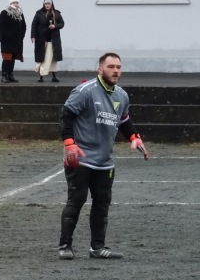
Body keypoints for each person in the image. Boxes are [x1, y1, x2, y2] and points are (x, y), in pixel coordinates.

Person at [58, 52, 149, 260]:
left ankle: (97, 248)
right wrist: (69, 143)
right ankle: (65, 246)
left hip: (105, 162)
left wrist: (134, 137)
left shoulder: (122, 95)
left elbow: (123, 120)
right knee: (76, 201)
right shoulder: (85, 91)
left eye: (118, 67)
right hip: (80, 159)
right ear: (100, 69)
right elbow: (66, 115)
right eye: (111, 67)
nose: (115, 70)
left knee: (102, 204)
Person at [31, 0, 64, 83]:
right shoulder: (39, 14)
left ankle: (54, 76)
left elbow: (62, 23)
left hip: (53, 40)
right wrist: (33, 36)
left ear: (51, 4)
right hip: (42, 40)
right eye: (46, 4)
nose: (47, 5)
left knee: (53, 59)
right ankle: (41, 77)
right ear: (44, 4)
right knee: (43, 58)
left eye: (49, 4)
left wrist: (55, 26)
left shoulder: (56, 13)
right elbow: (34, 25)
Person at [0, 0, 26, 83]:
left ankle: (10, 75)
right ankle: (4, 76)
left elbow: (24, 26)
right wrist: (8, 35)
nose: (16, 4)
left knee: (13, 59)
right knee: (7, 59)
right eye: (14, 2)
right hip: (7, 41)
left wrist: (22, 36)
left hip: (17, 41)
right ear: (10, 3)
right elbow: (0, 25)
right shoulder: (4, 12)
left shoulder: (20, 14)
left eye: (17, 2)